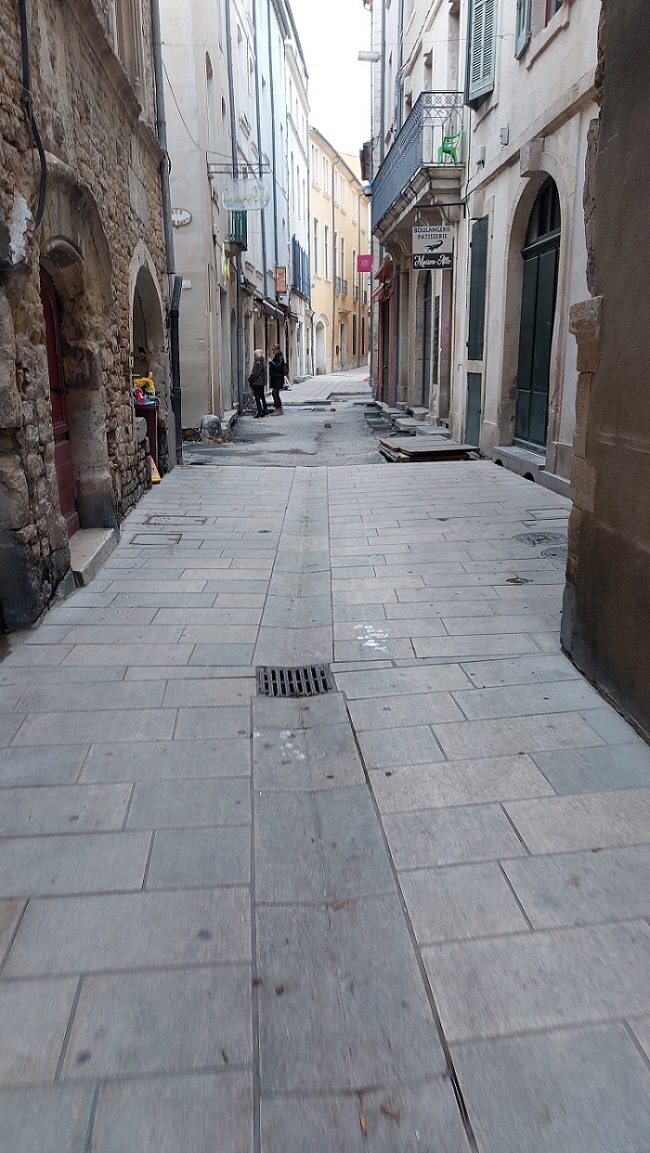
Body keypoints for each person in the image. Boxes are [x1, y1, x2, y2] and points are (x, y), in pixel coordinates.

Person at [248, 349, 268, 418]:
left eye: (255, 354)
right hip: (262, 382)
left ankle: (260, 411)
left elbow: (255, 373)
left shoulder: (257, 363)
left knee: (257, 397)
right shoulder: (263, 362)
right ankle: (265, 409)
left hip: (257, 382)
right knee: (262, 396)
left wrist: (250, 379)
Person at [268, 344, 287, 415]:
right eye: (272, 349)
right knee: (275, 393)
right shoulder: (276, 357)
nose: (273, 351)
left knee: (275, 393)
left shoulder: (280, 358)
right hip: (275, 377)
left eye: (274, 349)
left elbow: (278, 367)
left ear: (278, 350)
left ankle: (278, 409)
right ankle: (278, 409)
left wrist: (271, 362)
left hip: (278, 378)